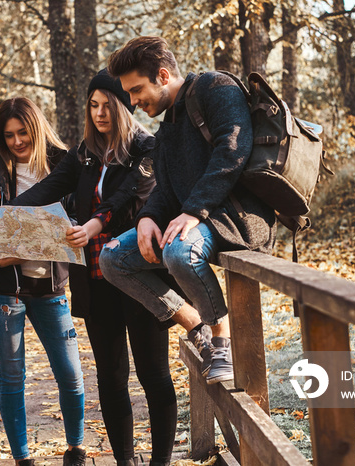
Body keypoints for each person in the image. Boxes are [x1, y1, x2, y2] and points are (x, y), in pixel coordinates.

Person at [8, 70, 177, 466]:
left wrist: (96, 222)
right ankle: (125, 461)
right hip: (96, 281)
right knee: (112, 378)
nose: (100, 113)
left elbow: (127, 195)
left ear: (124, 105)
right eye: (93, 105)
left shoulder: (147, 150)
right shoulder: (83, 153)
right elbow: (48, 189)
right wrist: (2, 215)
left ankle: (161, 462)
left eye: (108, 105)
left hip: (141, 277)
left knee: (153, 373)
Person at [99, 36, 277, 384]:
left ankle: (222, 344)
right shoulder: (169, 125)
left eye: (136, 91)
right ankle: (199, 330)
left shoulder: (216, 87)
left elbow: (233, 150)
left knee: (180, 252)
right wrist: (148, 218)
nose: (132, 103)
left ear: (163, 76)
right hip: (198, 220)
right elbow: (165, 189)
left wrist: (194, 210)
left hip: (236, 218)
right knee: (112, 258)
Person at [0, 97, 87, 466]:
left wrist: (17, 247)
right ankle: (22, 458)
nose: (16, 141)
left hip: (51, 288)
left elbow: (73, 225)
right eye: (9, 135)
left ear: (38, 129)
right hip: (3, 291)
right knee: (12, 377)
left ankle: (76, 448)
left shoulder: (66, 167)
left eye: (23, 132)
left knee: (71, 374)